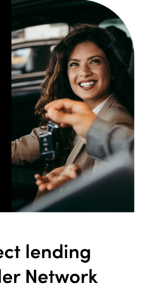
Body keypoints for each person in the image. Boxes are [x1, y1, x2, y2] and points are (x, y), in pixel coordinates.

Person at [11, 24, 134, 195]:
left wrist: (72, 184)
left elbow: (106, 196)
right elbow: (23, 147)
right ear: (66, 73)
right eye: (74, 64)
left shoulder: (116, 120)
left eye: (95, 61)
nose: (84, 72)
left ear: (112, 69)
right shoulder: (73, 112)